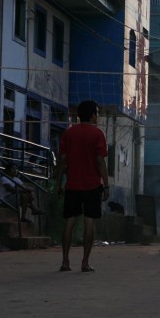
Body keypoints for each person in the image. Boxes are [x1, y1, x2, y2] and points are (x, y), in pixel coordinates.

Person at [55, 100, 109, 273]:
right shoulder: (97, 134)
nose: (98, 116)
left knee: (69, 222)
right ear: (92, 114)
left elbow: (62, 160)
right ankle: (85, 262)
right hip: (92, 185)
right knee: (89, 223)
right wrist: (106, 185)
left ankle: (65, 261)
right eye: (97, 113)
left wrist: (58, 184)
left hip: (72, 184)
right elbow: (100, 161)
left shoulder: (68, 134)